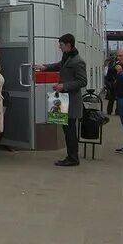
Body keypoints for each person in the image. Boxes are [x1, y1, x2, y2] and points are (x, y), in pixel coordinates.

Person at [35, 33, 88, 167]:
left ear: (68, 45)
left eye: (61, 45)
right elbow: (60, 65)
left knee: (70, 130)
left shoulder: (78, 61)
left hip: (72, 101)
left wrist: (64, 86)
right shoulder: (67, 57)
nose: (59, 47)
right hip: (64, 99)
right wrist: (45, 67)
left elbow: (82, 81)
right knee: (67, 129)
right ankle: (71, 156)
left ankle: (73, 158)